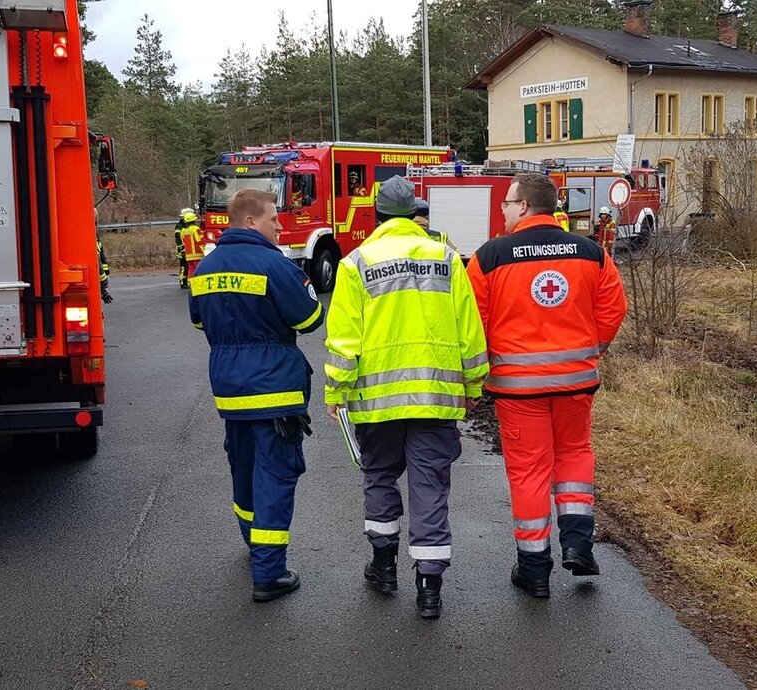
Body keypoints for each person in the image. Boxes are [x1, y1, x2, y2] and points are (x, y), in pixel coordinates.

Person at [324, 176, 488, 620]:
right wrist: (473, 385)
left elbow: (344, 339)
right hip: (435, 398)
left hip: (377, 402)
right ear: (415, 214)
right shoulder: (446, 257)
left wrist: (335, 390)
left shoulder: (356, 263)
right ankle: (429, 588)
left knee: (379, 476)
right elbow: (469, 330)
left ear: (377, 216)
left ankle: (383, 567)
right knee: (429, 484)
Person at [466, 173, 627, 599]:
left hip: (518, 389)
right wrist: (591, 351)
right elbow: (613, 308)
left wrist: (480, 372)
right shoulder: (590, 252)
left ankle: (535, 569)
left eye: (506, 203)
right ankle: (577, 545)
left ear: (523, 207)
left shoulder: (489, 257)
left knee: (528, 472)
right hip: (576, 383)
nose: (502, 210)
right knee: (574, 454)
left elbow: (473, 323)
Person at [188, 188, 325, 604]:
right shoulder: (274, 265)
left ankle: (254, 544)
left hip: (230, 391)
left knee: (244, 470)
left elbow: (199, 321)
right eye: (273, 219)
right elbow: (310, 318)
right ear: (250, 221)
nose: (279, 227)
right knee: (276, 476)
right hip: (274, 389)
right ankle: (269, 573)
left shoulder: (205, 267)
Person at [177, 209, 204, 285]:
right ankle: (199, 283)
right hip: (198, 255)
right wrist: (205, 251)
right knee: (199, 269)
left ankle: (190, 283)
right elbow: (200, 241)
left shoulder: (184, 231)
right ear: (194, 221)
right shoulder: (196, 229)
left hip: (188, 255)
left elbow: (183, 243)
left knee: (191, 269)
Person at [95, 208, 112, 304]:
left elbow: (101, 255)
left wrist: (107, 271)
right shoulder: (92, 236)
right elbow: (96, 262)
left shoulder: (95, 237)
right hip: (98, 281)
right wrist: (103, 289)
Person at [173, 208, 194, 288]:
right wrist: (182, 249)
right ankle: (183, 282)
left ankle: (187, 281)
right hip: (182, 250)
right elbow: (178, 239)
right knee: (184, 266)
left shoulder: (185, 225)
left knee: (188, 266)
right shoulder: (180, 226)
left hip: (188, 249)